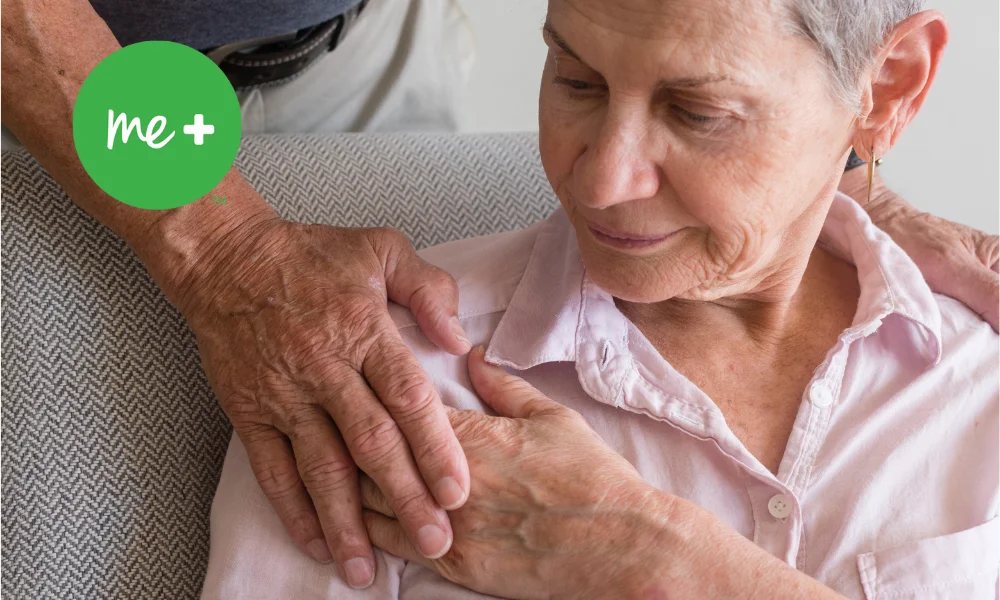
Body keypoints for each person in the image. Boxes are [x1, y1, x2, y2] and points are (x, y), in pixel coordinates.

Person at [1, 0, 996, 592]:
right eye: (573, 79)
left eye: (700, 111)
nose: (597, 182)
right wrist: (222, 246)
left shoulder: (971, 373)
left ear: (893, 84)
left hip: (342, 38)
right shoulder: (392, 376)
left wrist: (843, 172)